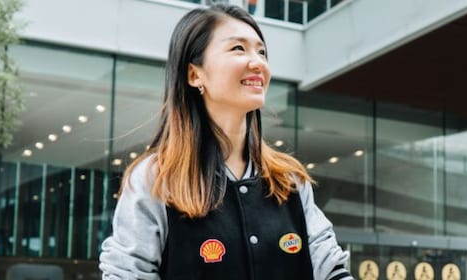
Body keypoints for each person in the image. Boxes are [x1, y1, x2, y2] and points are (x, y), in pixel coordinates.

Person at [99, 4, 353, 280]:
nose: (258, 63)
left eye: (262, 51)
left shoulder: (289, 180)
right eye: (238, 49)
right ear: (195, 74)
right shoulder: (155, 179)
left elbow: (331, 270)